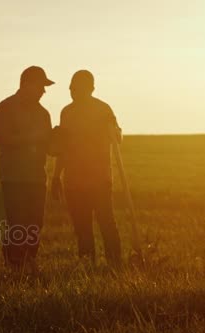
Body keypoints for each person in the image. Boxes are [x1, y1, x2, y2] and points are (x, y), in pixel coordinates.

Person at [51, 70, 122, 265]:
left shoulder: (103, 109)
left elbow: (117, 138)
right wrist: (57, 176)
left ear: (91, 89)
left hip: (99, 178)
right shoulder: (67, 112)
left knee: (107, 224)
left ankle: (115, 265)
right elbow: (62, 148)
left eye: (79, 88)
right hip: (73, 181)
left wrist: (112, 128)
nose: (74, 91)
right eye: (73, 87)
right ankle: (87, 266)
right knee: (82, 227)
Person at [0, 66, 54, 269]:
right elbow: (3, 139)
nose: (44, 91)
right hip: (14, 177)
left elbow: (49, 146)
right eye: (41, 86)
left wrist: (60, 141)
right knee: (17, 223)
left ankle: (29, 263)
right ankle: (14, 266)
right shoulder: (5, 108)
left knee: (35, 224)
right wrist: (34, 138)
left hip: (37, 177)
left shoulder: (43, 114)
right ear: (27, 85)